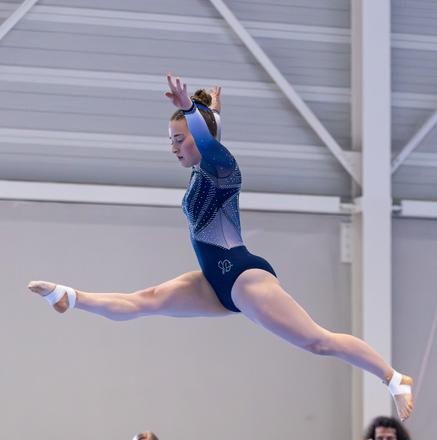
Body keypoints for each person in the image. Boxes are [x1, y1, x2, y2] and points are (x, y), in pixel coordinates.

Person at [28, 74, 413, 422]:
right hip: (214, 281)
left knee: (318, 341)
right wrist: (206, 112)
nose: (173, 149)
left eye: (179, 139)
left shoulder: (225, 168)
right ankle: (69, 297)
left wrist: (191, 109)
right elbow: (208, 136)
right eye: (170, 141)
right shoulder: (203, 169)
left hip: (244, 276)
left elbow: (211, 142)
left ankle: (393, 378)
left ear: (199, 137)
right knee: (147, 299)